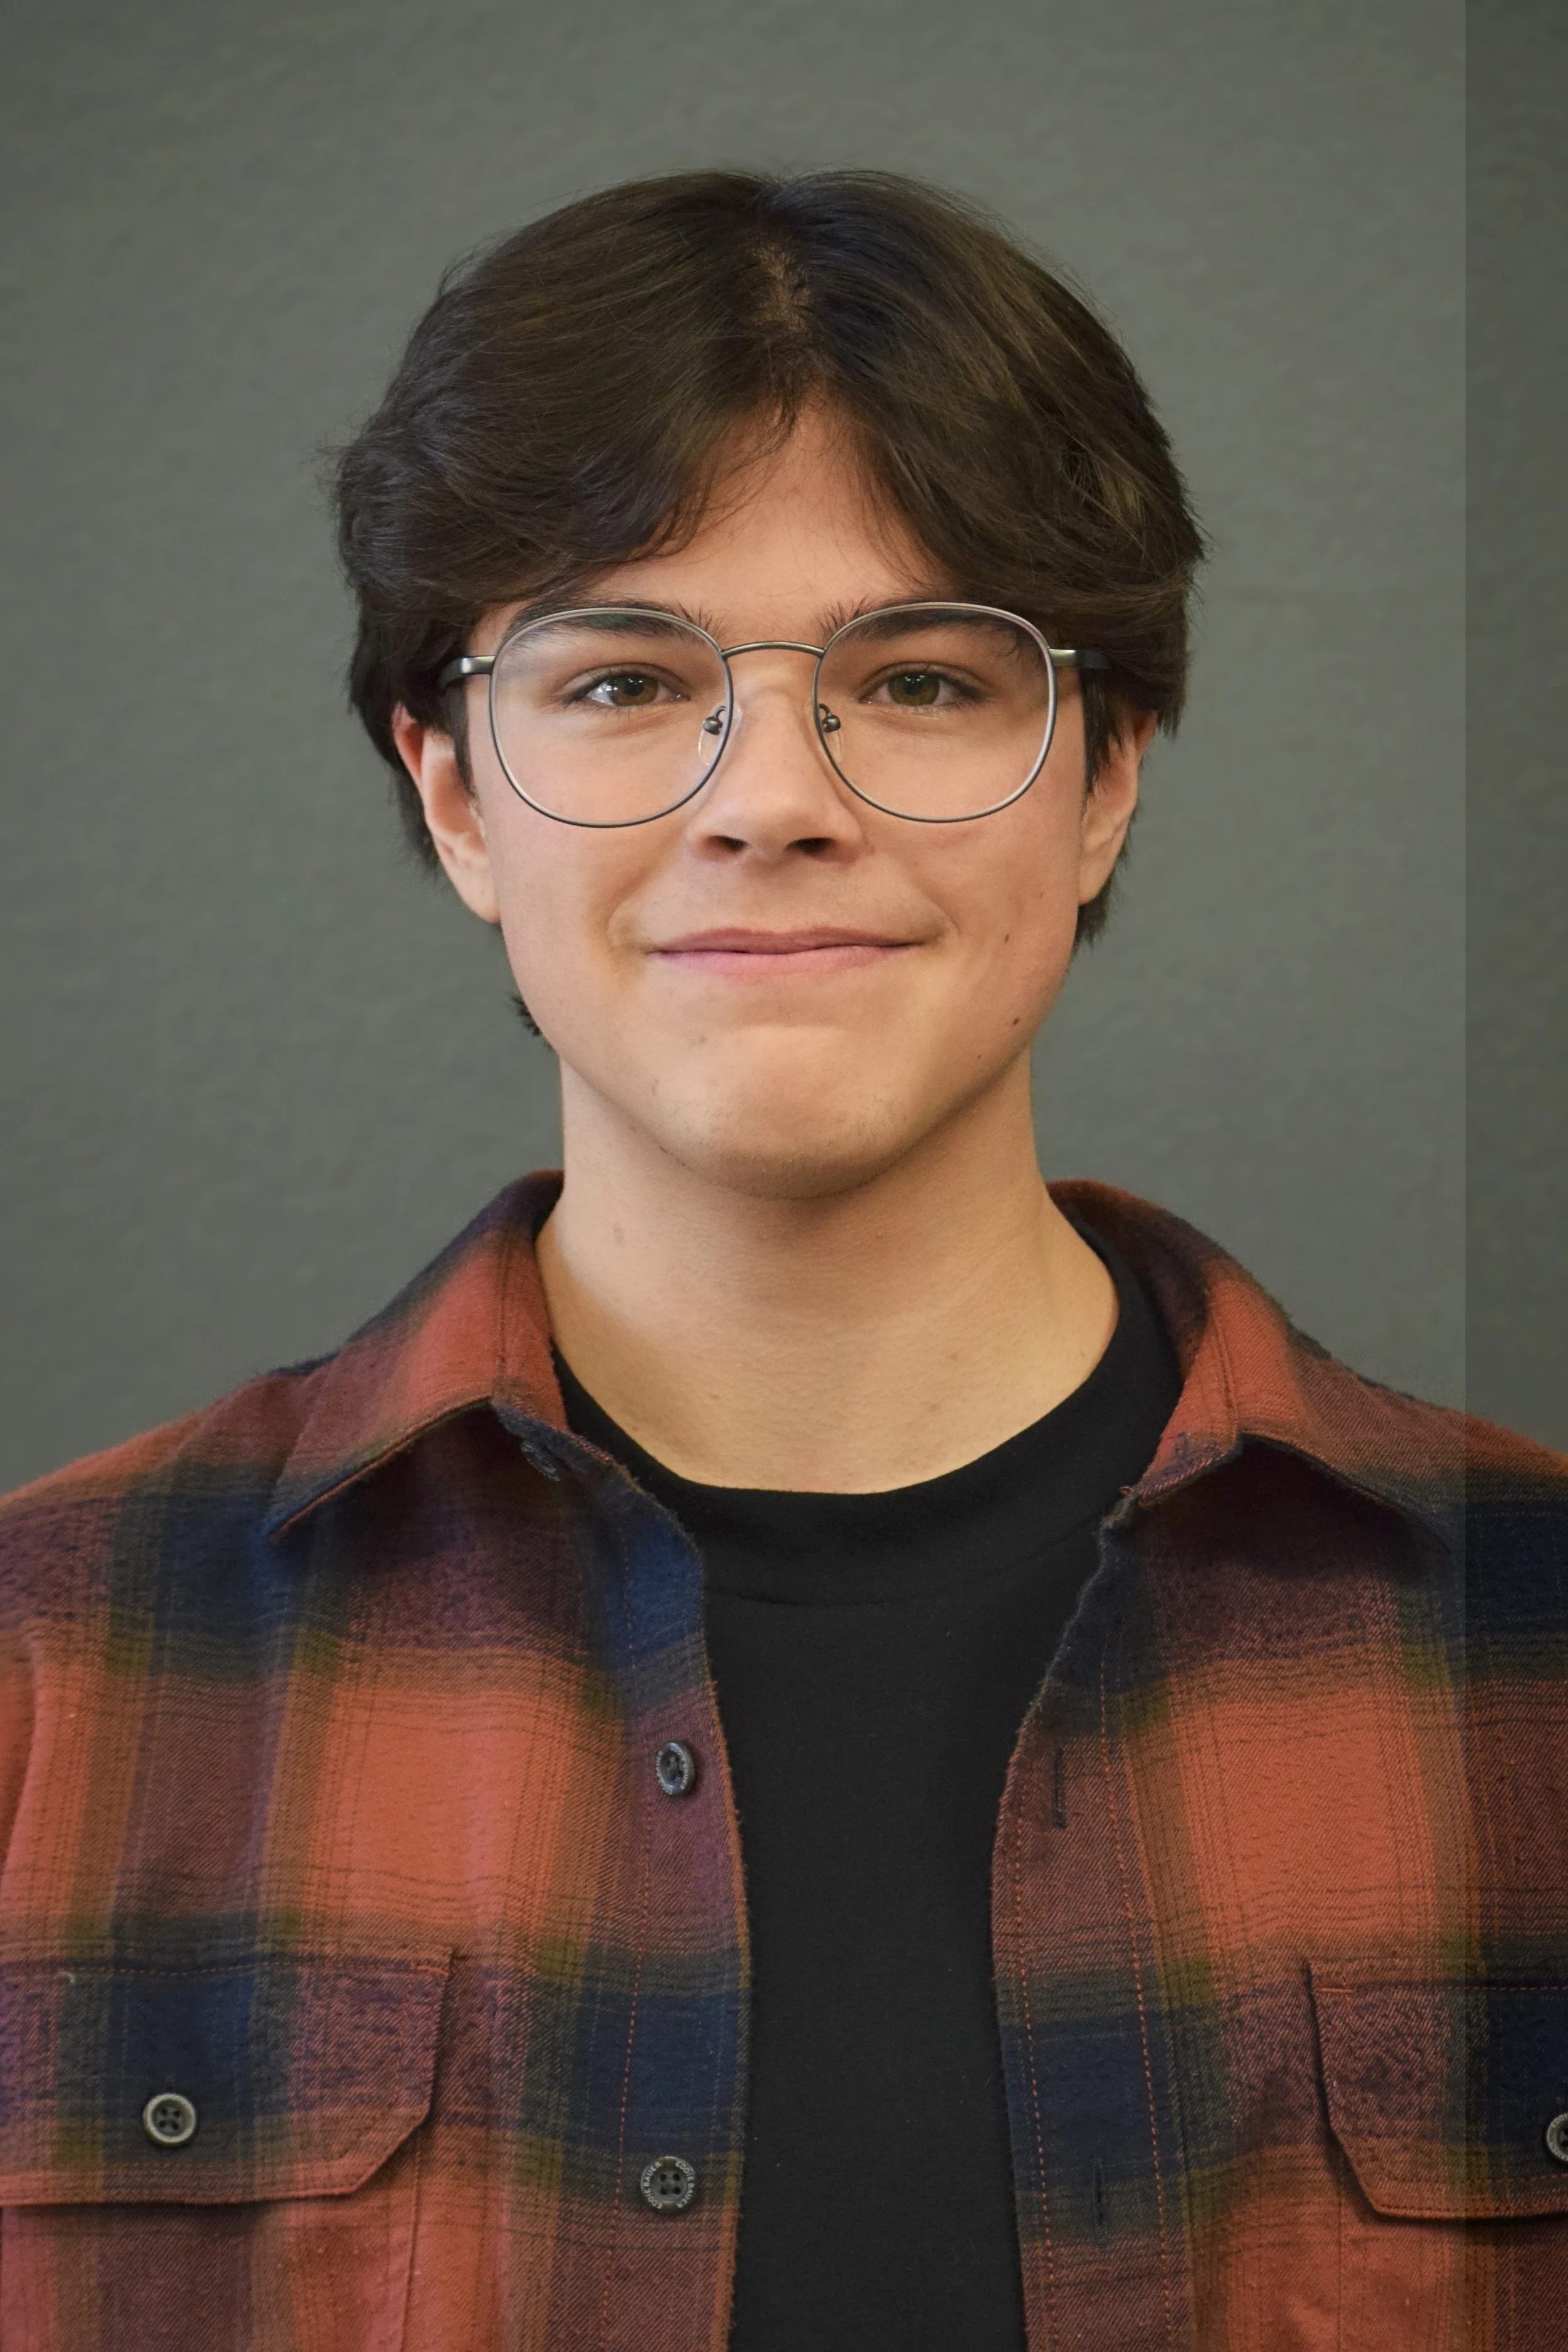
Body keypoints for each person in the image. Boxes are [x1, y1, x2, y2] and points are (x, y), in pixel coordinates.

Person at [0, 169, 1562, 2352]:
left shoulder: (1529, 1654)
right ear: (454, 793)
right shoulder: (49, 1674)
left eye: (918, 680)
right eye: (628, 678)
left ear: (1104, 774)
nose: (767, 796)